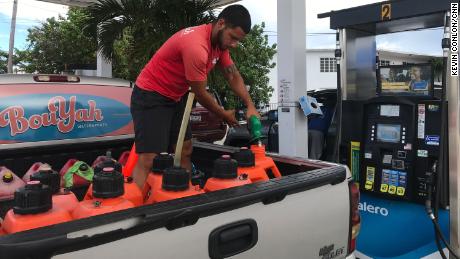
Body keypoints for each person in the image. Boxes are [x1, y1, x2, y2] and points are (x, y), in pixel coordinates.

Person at [130, 5, 260, 188]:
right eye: (233, 38)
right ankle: (135, 210)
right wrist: (223, 114)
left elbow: (232, 74)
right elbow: (200, 93)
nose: (234, 44)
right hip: (151, 96)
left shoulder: (219, 45)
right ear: (221, 23)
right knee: (150, 159)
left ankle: (186, 197)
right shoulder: (196, 46)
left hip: (176, 97)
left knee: (185, 150)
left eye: (238, 40)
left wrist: (250, 105)